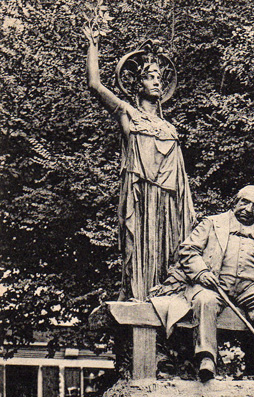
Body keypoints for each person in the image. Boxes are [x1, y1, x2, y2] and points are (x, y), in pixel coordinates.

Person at [151, 185, 254, 381]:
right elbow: (188, 251)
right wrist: (202, 272)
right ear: (235, 202)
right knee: (205, 301)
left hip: (251, 287)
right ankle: (206, 358)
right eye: (244, 202)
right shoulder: (212, 223)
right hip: (215, 283)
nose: (248, 208)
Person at [84, 32, 195, 300]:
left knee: (170, 256)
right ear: (137, 84)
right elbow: (94, 85)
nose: (157, 80)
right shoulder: (128, 114)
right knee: (141, 256)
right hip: (142, 197)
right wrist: (93, 46)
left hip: (169, 202)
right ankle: (138, 298)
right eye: (149, 76)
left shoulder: (170, 128)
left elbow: (181, 179)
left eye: (159, 76)